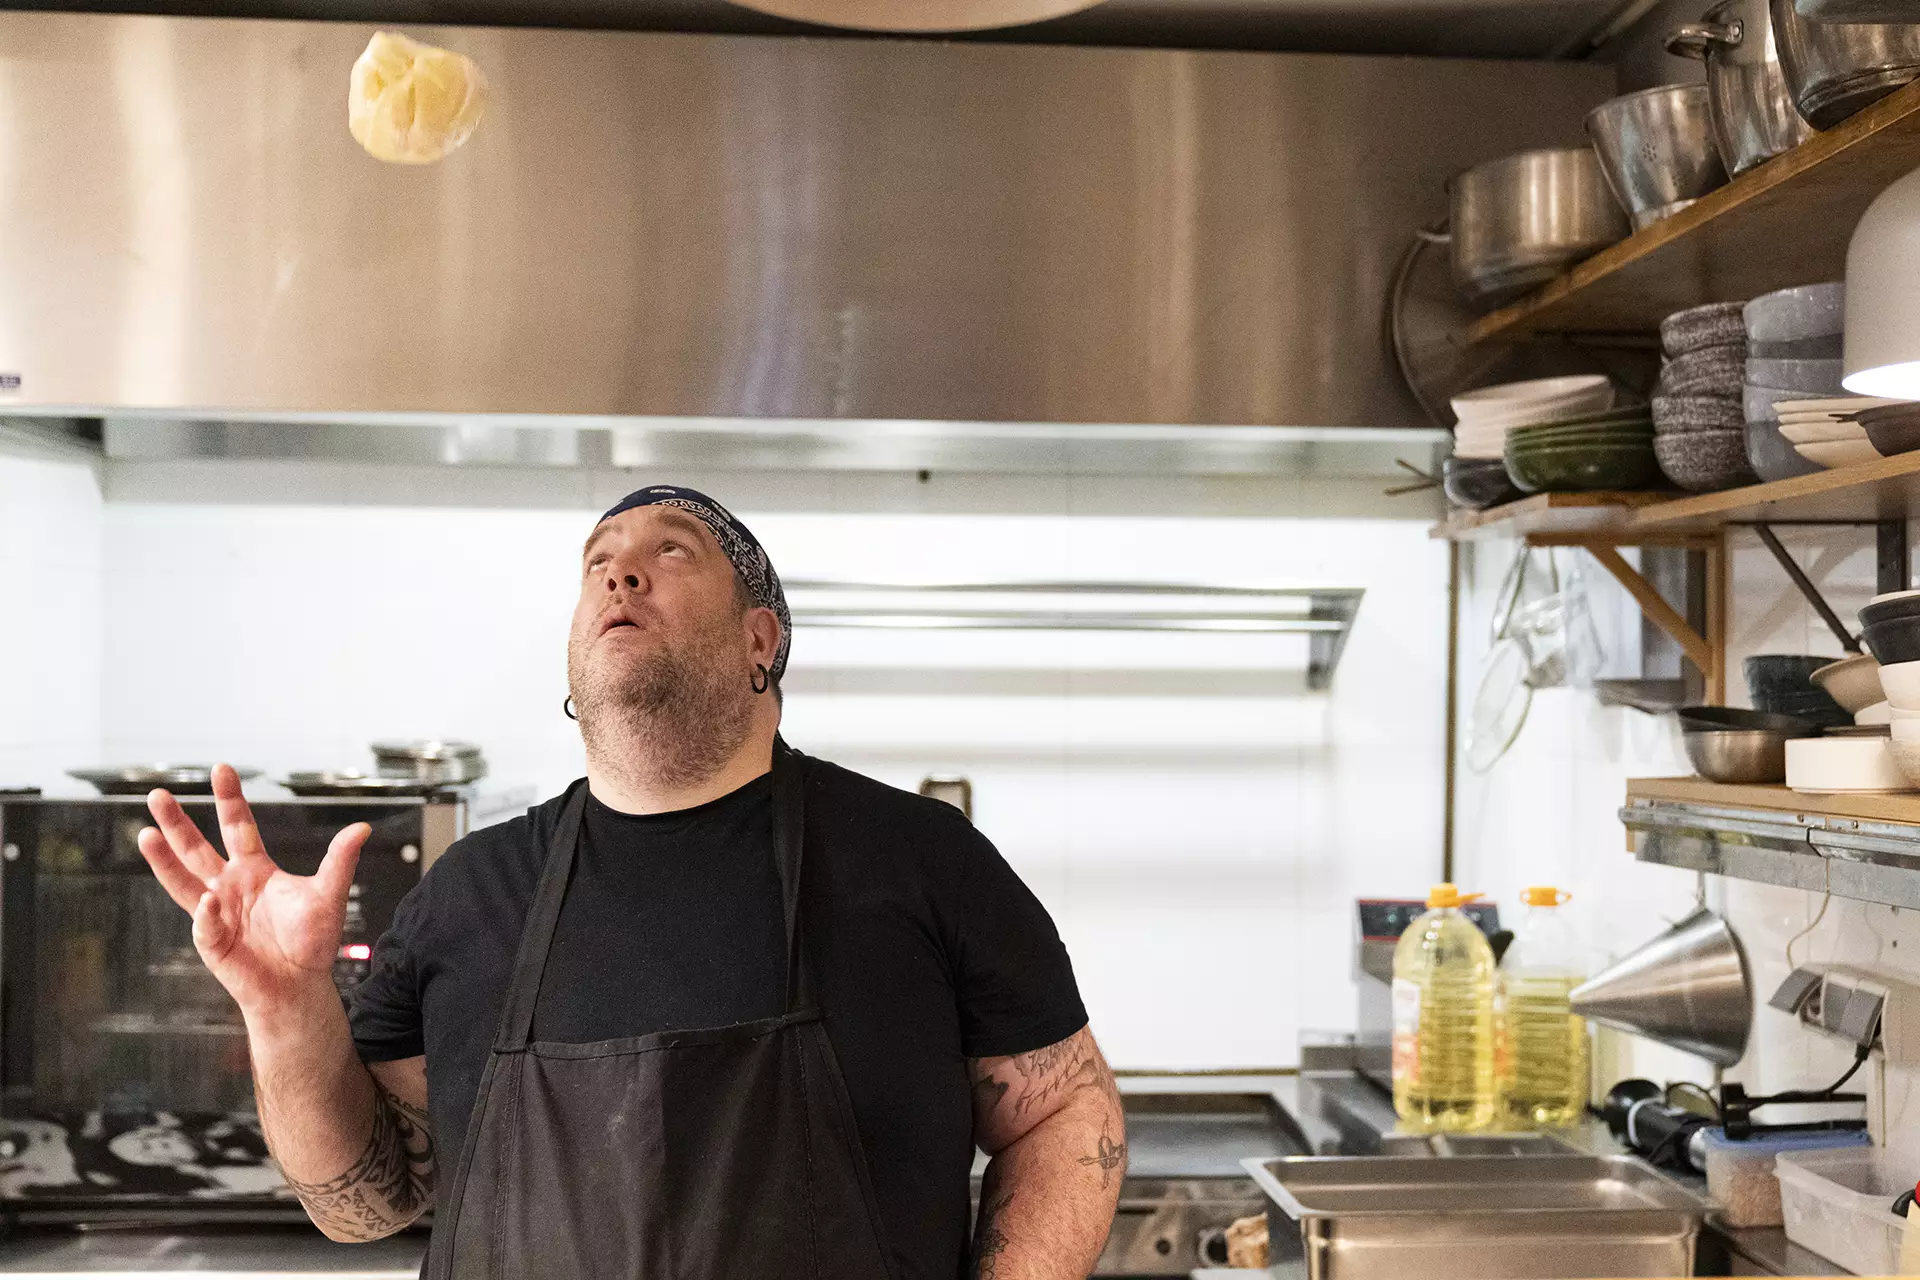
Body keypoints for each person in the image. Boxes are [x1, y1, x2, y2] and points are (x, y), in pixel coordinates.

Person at [136, 484, 1125, 1279]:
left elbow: (1063, 1107)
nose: (620, 571)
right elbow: (367, 1203)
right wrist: (286, 1010)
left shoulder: (916, 856)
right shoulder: (469, 891)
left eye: (670, 550)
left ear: (759, 641)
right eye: (597, 564)